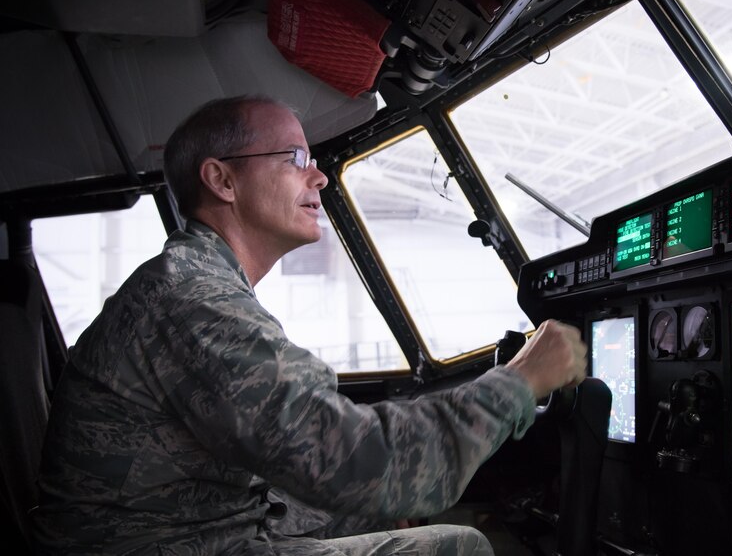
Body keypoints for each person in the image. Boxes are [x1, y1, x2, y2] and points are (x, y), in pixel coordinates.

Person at [31, 95, 587, 555]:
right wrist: (521, 381)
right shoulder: (192, 300)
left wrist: (362, 509)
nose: (319, 175)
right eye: (294, 157)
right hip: (162, 545)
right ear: (222, 180)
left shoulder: (194, 284)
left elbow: (288, 464)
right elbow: (356, 460)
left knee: (377, 512)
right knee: (461, 548)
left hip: (185, 528)